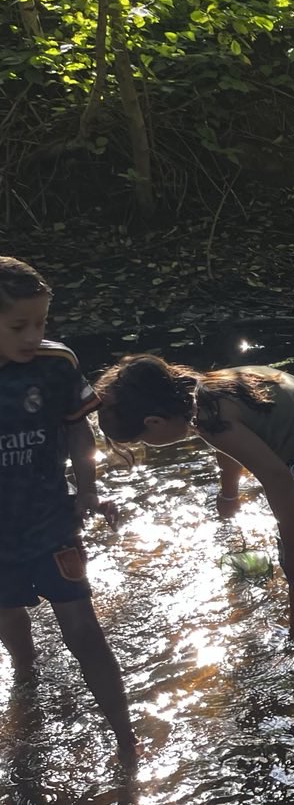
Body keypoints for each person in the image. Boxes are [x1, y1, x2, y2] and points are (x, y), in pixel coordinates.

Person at [95, 355, 294, 667]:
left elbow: (276, 477)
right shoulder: (202, 391)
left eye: (142, 440)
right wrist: (229, 494)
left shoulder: (210, 415)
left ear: (153, 422)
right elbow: (231, 447)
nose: (147, 444)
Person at [0, 257, 137, 766]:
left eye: (40, 323)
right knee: (10, 617)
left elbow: (77, 428)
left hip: (50, 519)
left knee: (84, 630)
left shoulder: (56, 365)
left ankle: (127, 741)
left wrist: (86, 489)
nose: (33, 335)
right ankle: (25, 671)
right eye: (19, 326)